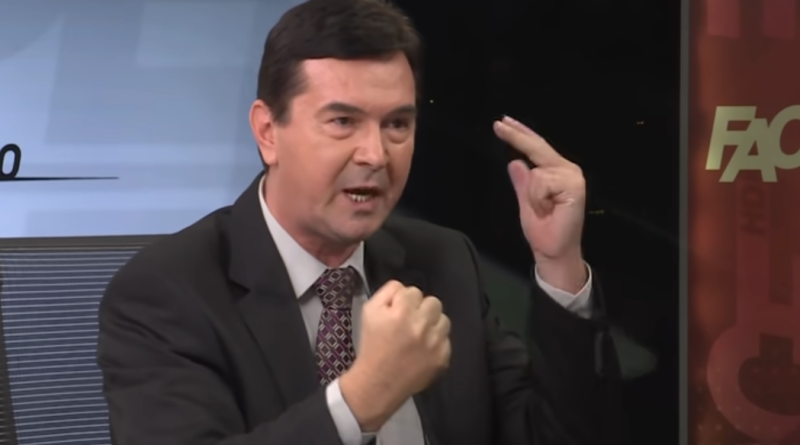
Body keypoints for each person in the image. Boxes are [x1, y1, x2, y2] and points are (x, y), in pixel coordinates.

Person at [97, 0, 626, 443]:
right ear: (268, 132)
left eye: (397, 124)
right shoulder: (167, 291)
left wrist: (559, 263)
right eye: (343, 121)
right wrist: (364, 398)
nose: (375, 154)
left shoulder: (444, 261)